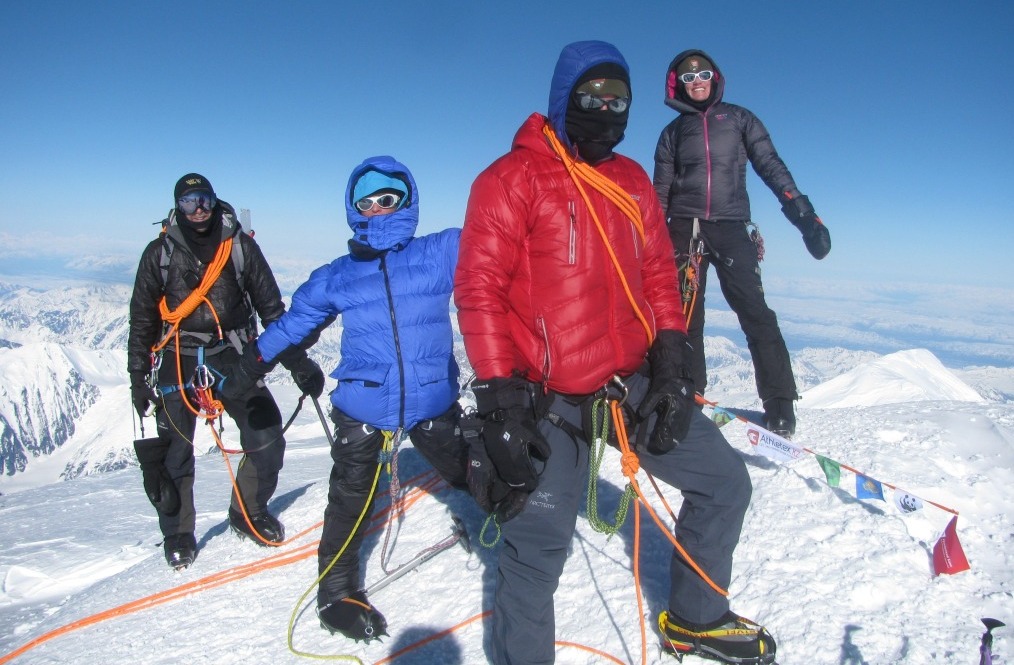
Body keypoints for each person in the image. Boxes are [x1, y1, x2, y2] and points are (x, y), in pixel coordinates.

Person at [455, 41, 776, 665]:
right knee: (536, 553)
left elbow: (658, 272)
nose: (607, 111)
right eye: (593, 97)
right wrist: (499, 401)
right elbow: (479, 292)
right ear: (563, 97)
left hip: (631, 382)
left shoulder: (629, 180)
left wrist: (673, 354)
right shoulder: (510, 178)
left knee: (724, 483)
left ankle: (696, 620)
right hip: (543, 399)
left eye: (619, 101)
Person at [224, 156, 469, 642]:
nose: (377, 209)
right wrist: (249, 366)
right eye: (367, 202)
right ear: (353, 209)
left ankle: (516, 525)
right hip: (364, 407)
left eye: (388, 199)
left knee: (468, 468)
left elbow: (508, 254)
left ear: (406, 200)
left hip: (432, 402)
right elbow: (293, 325)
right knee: (350, 501)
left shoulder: (443, 250)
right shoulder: (338, 274)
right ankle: (335, 592)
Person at [128, 173, 324, 570]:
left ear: (214, 201)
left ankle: (248, 511)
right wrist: (138, 375)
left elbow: (272, 311)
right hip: (177, 355)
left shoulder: (240, 248)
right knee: (174, 456)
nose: (198, 208)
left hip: (233, 353)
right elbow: (142, 321)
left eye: (203, 200)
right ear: (177, 207)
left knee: (266, 437)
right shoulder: (158, 253)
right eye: (188, 202)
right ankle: (179, 533)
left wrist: (298, 363)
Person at [653, 48, 832, 438]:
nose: (696, 82)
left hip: (732, 226)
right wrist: (651, 240)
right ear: (677, 84)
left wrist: (805, 216)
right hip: (684, 230)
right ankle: (689, 393)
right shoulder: (671, 133)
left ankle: (780, 402)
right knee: (685, 319)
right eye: (688, 77)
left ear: (714, 78)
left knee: (755, 313)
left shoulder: (738, 119)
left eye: (702, 75)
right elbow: (660, 192)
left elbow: (771, 165)